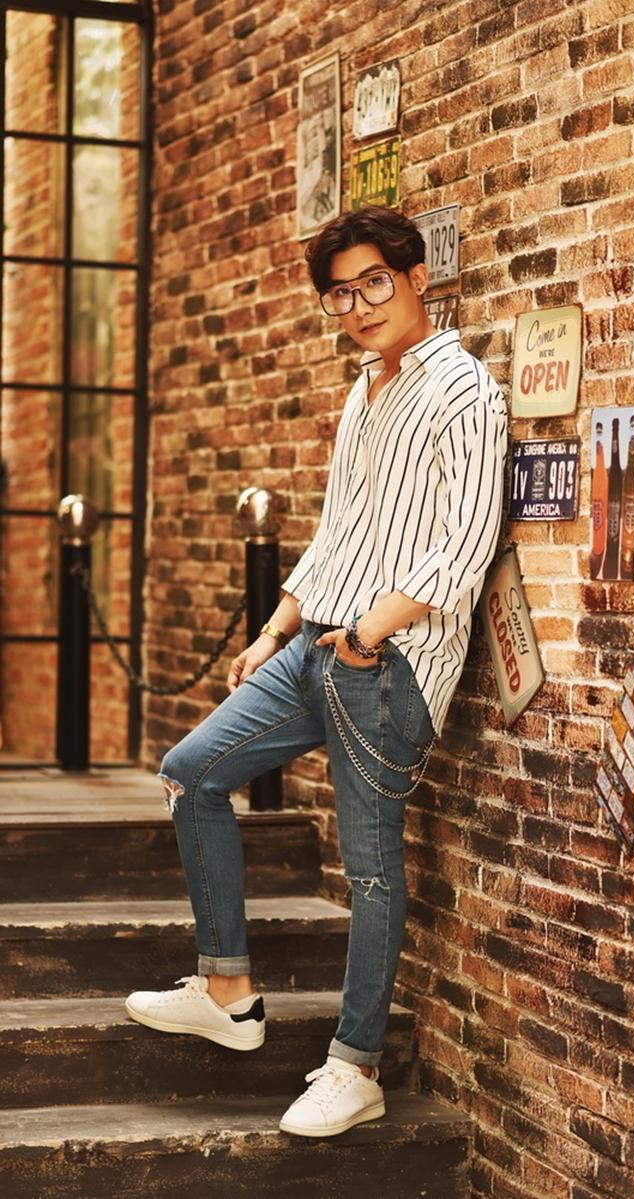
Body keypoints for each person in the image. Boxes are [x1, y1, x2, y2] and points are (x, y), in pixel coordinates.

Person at [125, 204, 508, 1137]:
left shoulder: (464, 391)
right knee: (191, 771)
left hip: (389, 661)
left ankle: (355, 1065)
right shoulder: (362, 391)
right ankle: (227, 989)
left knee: (369, 868)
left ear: (416, 277)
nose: (360, 306)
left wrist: (369, 631)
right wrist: (276, 627)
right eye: (341, 294)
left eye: (375, 283)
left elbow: (463, 548)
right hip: (315, 644)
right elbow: (339, 531)